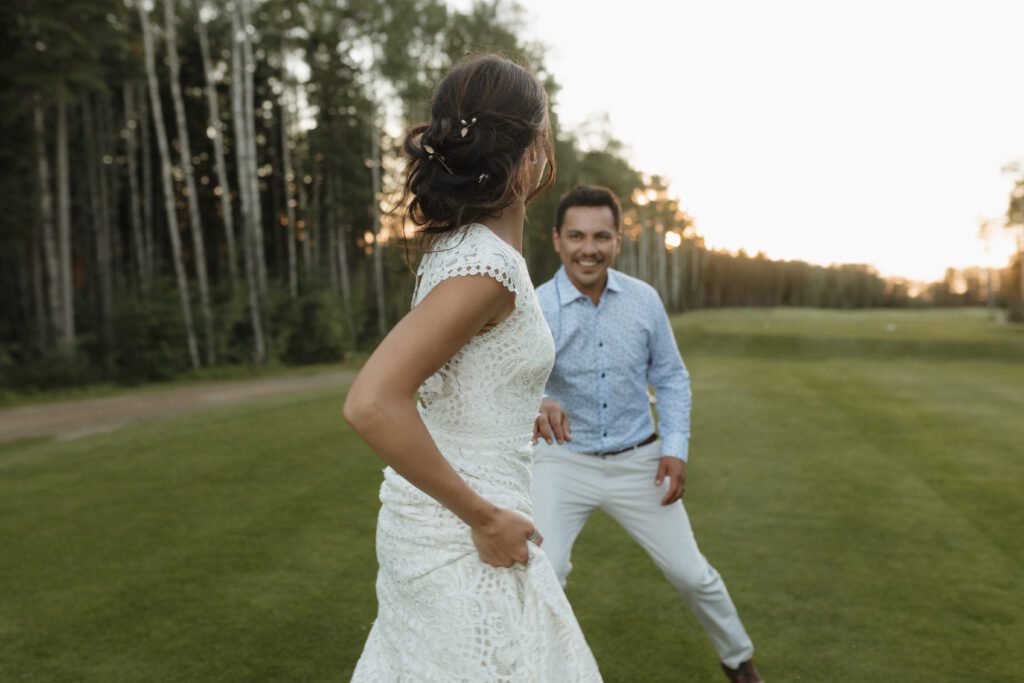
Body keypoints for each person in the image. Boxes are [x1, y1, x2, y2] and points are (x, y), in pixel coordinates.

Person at [344, 55, 601, 681]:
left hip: (460, 517)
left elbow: (457, 370)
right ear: (537, 147)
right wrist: (482, 518)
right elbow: (373, 401)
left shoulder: (460, 247)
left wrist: (518, 400)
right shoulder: (487, 267)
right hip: (466, 532)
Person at [531, 185, 764, 683]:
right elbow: (507, 382)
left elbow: (673, 378)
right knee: (544, 570)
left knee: (691, 574)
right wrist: (538, 399)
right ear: (556, 239)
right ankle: (540, 672)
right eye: (575, 235)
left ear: (618, 240)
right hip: (562, 462)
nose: (587, 248)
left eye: (600, 236)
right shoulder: (534, 307)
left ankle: (739, 662)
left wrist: (675, 449)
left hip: (640, 460)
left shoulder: (643, 300)